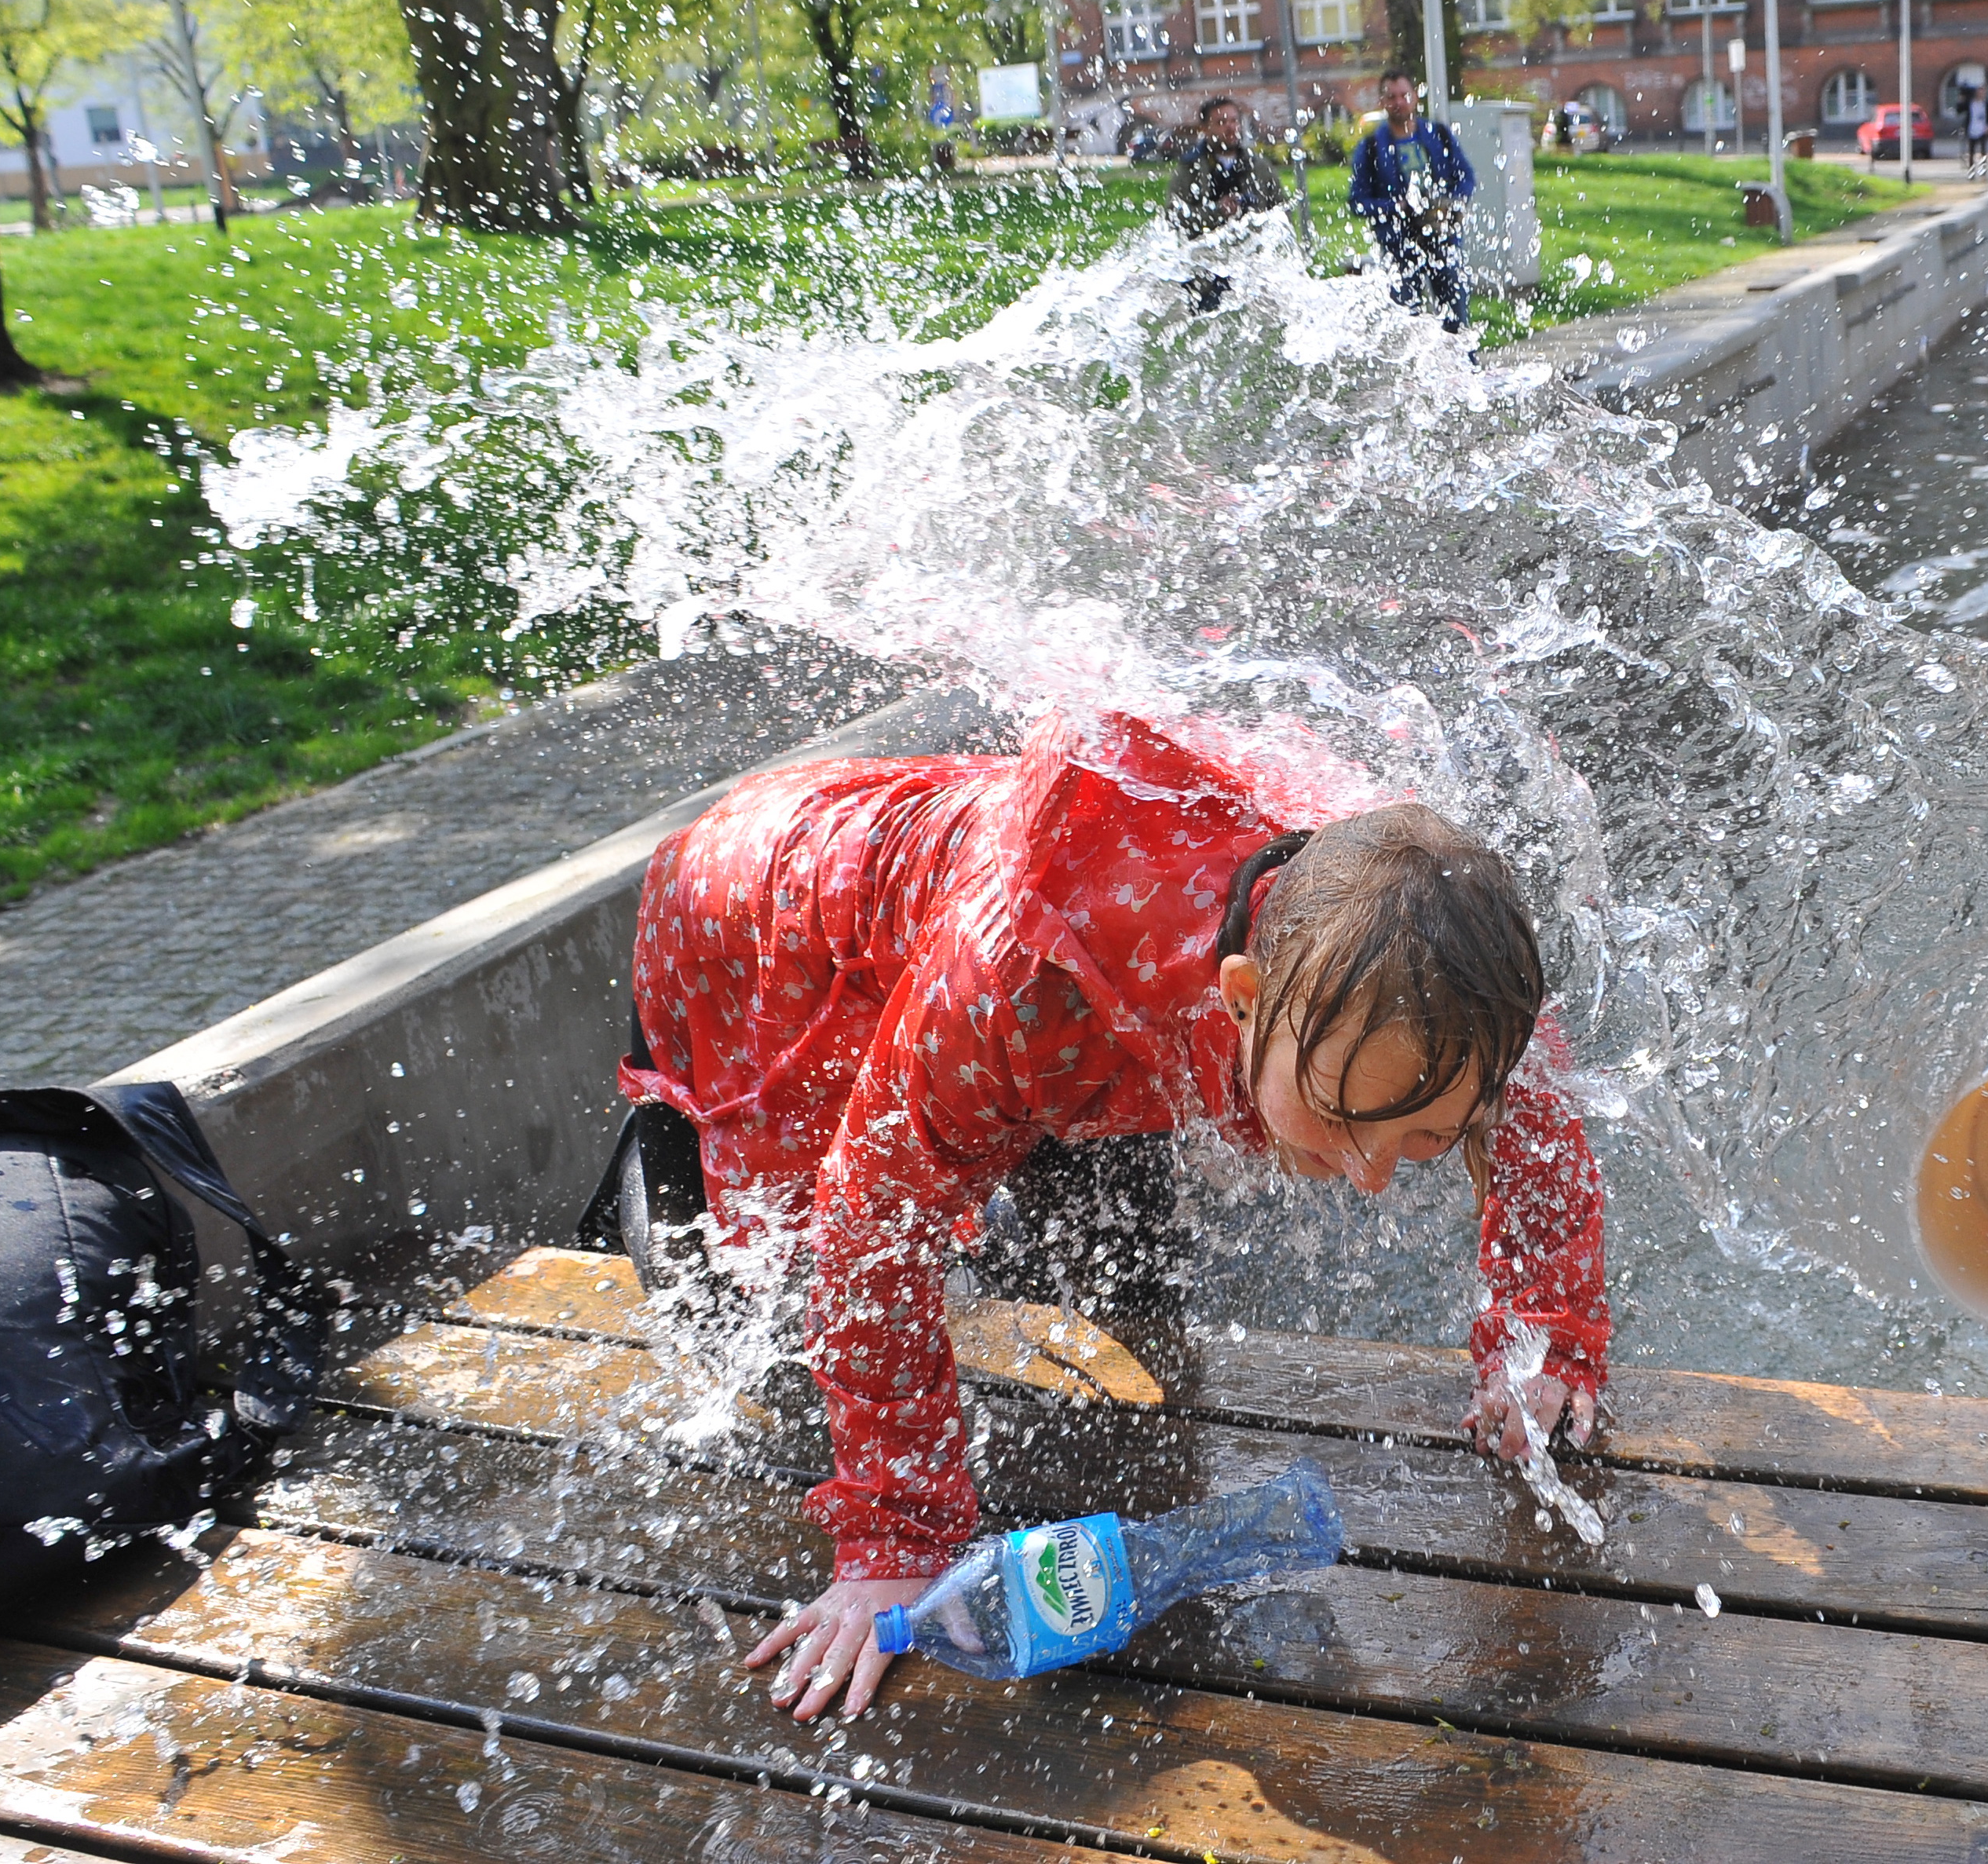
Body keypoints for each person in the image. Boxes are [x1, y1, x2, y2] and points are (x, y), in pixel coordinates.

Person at [616, 710, 1606, 1722]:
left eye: (1423, 1139)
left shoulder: (1432, 982)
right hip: (755, 920)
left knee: (1124, 1315)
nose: (1370, 1178)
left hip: (1082, 968)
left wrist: (1546, 1345)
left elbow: (1532, 1127)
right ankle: (653, 1165)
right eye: (1344, 1121)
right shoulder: (1017, 990)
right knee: (753, 1329)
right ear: (1244, 993)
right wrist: (896, 1544)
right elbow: (868, 1227)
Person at [1348, 70, 1478, 334]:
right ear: (1382, 102)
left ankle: (1465, 369)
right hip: (1398, 245)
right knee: (1406, 323)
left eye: (1404, 95)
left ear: (1416, 97)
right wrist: (1396, 208)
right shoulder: (1372, 146)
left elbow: (1465, 177)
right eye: (1392, 97)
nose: (1399, 102)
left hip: (1443, 239)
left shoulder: (1438, 134)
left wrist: (1452, 203)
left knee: (1457, 317)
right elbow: (1358, 202)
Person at [1168, 97, 1289, 311]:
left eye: (1234, 121)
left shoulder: (1259, 166)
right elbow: (1175, 217)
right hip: (1206, 270)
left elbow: (1282, 213)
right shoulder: (1190, 169)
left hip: (1252, 269)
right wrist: (1217, 211)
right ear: (1205, 129)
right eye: (1222, 122)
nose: (1231, 127)